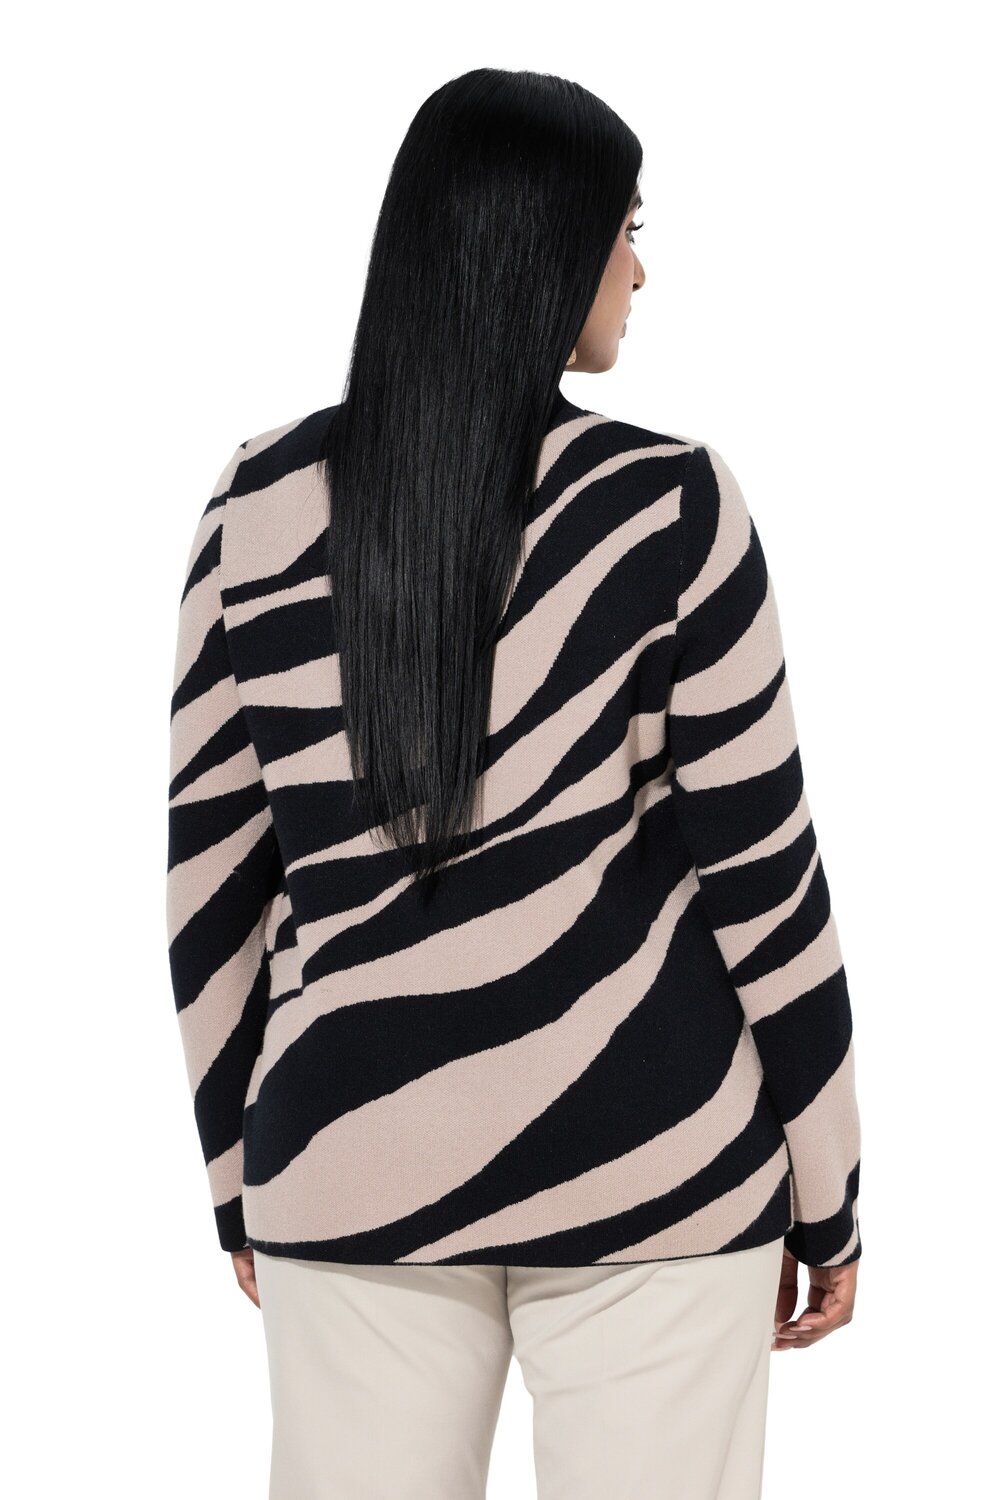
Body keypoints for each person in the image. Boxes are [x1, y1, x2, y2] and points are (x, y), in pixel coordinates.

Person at [166, 66, 861, 1500]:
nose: (640, 271)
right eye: (627, 230)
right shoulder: (669, 504)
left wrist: (240, 1170)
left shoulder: (255, 504)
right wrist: (830, 1192)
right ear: (543, 245)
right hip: (654, 1153)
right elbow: (764, 876)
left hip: (349, 1155)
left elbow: (214, 886)